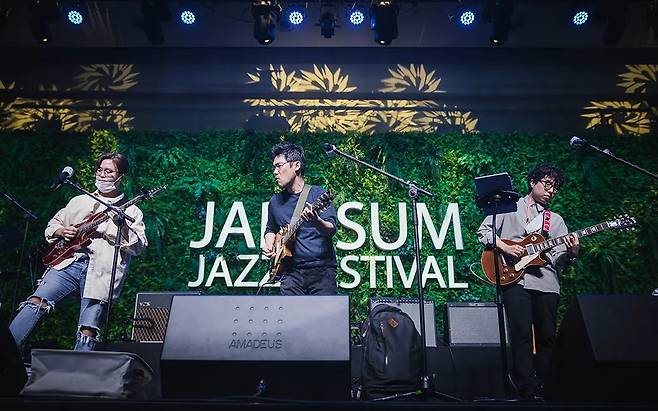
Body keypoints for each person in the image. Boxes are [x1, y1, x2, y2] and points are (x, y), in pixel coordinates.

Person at [9, 153, 147, 351]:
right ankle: (7, 351)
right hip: (69, 263)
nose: (102, 175)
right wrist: (61, 231)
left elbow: (138, 246)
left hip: (101, 271)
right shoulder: (79, 200)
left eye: (109, 171)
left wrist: (116, 226)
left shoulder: (131, 210)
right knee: (36, 302)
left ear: (121, 177)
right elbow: (53, 224)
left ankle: (79, 375)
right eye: (99, 170)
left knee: (87, 328)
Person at [476, 164, 580, 399]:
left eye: (555, 187)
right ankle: (525, 389)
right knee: (521, 335)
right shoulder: (508, 207)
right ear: (533, 183)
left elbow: (558, 259)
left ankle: (543, 386)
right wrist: (506, 246)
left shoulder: (555, 221)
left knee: (547, 336)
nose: (551, 190)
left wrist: (571, 253)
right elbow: (484, 232)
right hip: (515, 280)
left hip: (547, 283)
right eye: (547, 184)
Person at [262, 142, 338, 295]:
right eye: (274, 167)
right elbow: (271, 229)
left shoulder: (318, 194)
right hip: (290, 274)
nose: (275, 172)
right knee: (291, 317)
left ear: (296, 165)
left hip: (321, 271)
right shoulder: (275, 201)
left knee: (325, 318)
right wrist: (269, 244)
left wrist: (316, 220)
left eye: (279, 166)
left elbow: (330, 229)